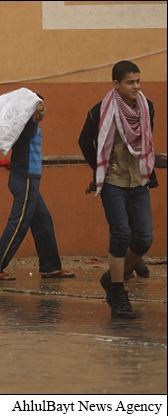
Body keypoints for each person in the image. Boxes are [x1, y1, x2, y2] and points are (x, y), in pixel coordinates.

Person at [78, 60, 157, 319]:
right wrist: (99, 169)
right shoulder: (100, 110)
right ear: (116, 84)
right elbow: (84, 141)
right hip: (113, 181)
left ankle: (113, 278)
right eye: (129, 82)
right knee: (121, 233)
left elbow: (146, 142)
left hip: (139, 180)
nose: (135, 86)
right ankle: (118, 294)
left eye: (138, 81)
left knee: (144, 238)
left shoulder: (148, 108)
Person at [0, 95, 75, 283]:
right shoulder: (25, 126)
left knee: (43, 222)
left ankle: (50, 267)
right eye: (36, 107)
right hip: (25, 180)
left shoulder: (31, 124)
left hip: (31, 181)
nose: (41, 110)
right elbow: (29, 130)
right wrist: (34, 117)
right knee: (19, 224)